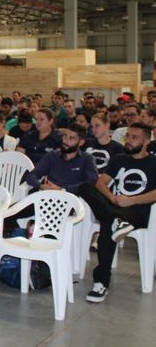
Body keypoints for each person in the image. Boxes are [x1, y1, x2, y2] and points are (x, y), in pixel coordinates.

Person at [78, 123, 156, 303]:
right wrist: (112, 197)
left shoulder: (153, 163)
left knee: (108, 225)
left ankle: (101, 282)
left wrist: (132, 200)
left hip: (137, 212)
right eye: (128, 136)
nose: (129, 140)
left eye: (134, 137)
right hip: (114, 205)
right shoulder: (119, 159)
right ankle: (115, 220)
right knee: (85, 187)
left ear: (146, 141)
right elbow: (101, 182)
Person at [22, 123, 98, 195]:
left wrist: (63, 189)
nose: (66, 141)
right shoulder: (52, 156)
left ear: (81, 142)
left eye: (71, 138)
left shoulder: (87, 159)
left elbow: (91, 182)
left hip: (73, 198)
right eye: (65, 136)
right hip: (48, 195)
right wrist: (40, 186)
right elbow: (32, 175)